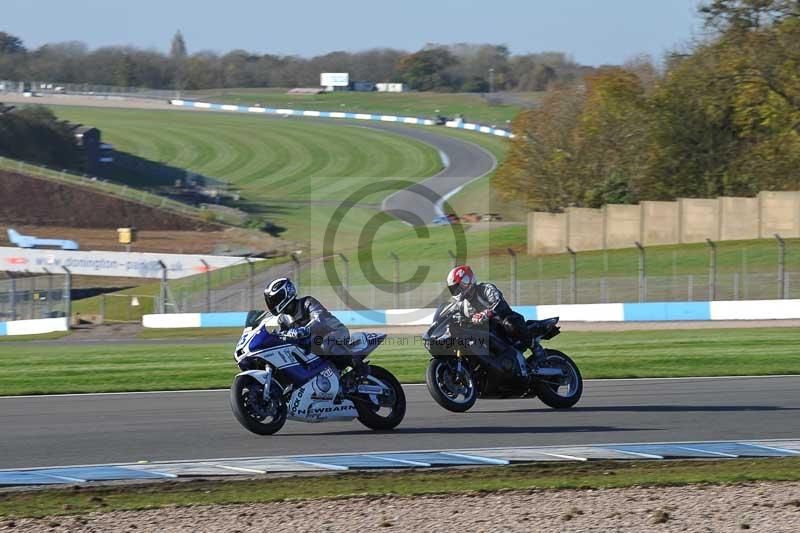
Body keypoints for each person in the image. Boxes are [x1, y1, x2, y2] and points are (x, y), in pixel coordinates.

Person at [263, 277, 366, 373]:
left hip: (335, 331)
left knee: (325, 343)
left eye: (275, 300)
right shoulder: (283, 319)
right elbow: (284, 338)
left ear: (286, 294)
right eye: (271, 301)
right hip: (312, 343)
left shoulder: (307, 303)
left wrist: (304, 329)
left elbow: (320, 320)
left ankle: (358, 366)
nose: (273, 304)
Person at [446, 265, 533, 376]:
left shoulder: (485, 289)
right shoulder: (462, 305)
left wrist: (486, 313)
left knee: (509, 323)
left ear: (467, 281)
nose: (457, 291)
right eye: (454, 289)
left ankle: (532, 345)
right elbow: (459, 318)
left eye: (458, 287)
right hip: (485, 333)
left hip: (502, 323)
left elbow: (499, 303)